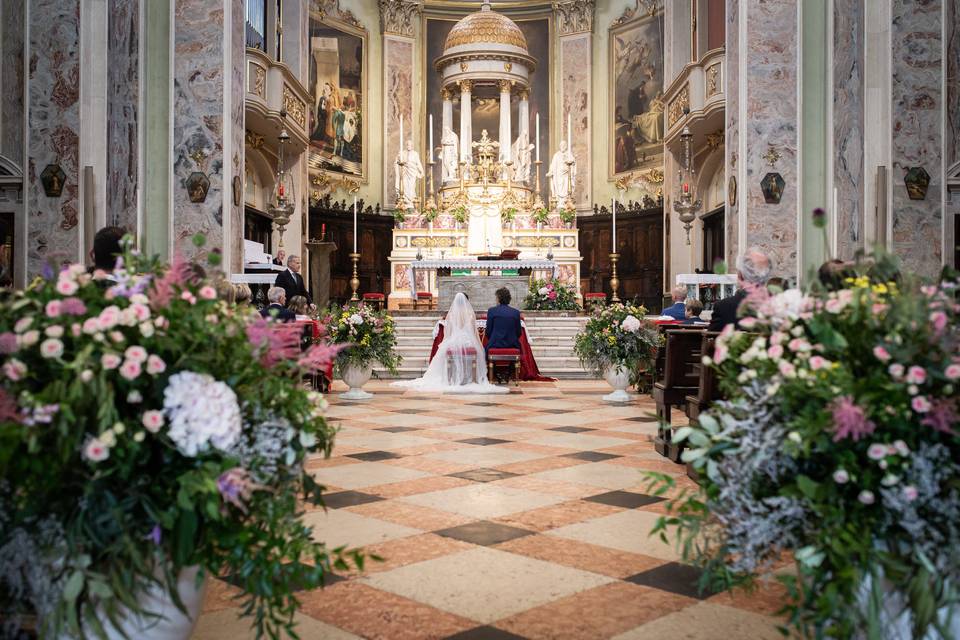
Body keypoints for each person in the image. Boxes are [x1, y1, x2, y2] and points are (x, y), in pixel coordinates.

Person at [393, 292, 506, 394]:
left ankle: (450, 379)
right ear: (467, 302)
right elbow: (473, 332)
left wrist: (450, 340)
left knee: (445, 351)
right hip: (467, 341)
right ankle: (472, 379)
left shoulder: (452, 315)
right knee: (477, 351)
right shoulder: (470, 315)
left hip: (454, 340)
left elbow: (449, 332)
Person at [708, 247, 772, 331]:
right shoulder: (780, 304)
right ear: (766, 275)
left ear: (740, 275)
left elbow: (712, 339)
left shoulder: (723, 307)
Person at [485, 287, 521, 354]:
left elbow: (488, 331)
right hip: (512, 344)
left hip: (495, 344)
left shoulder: (492, 311)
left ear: (498, 299)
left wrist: (494, 339)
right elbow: (518, 332)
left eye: (496, 298)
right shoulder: (516, 312)